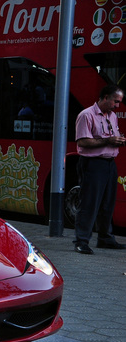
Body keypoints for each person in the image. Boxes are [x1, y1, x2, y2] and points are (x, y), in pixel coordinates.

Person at [73, 84, 126, 254]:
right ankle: (81, 241)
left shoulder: (112, 116)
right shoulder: (86, 115)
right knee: (89, 203)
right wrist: (109, 141)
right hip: (93, 163)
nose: (118, 106)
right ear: (105, 97)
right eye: (115, 101)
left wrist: (118, 140)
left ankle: (105, 238)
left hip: (109, 163)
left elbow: (109, 137)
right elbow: (82, 142)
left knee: (107, 203)